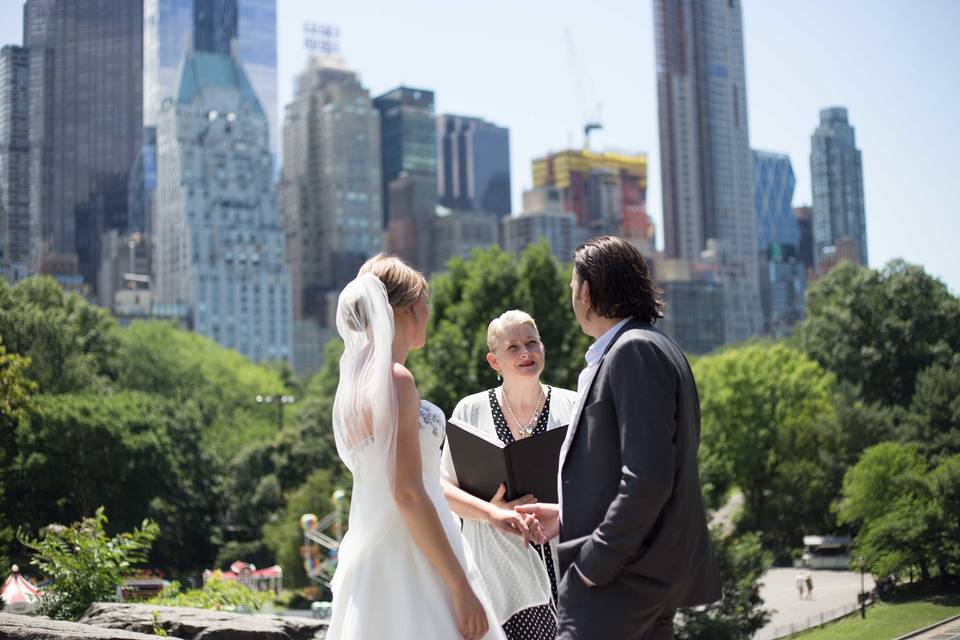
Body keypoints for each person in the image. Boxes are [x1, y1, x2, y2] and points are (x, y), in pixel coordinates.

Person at [519, 236, 722, 640]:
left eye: (572, 288)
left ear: (588, 292)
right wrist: (566, 517)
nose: (572, 298)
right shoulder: (653, 346)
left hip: (620, 579)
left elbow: (648, 477)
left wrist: (593, 564)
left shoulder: (634, 352)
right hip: (640, 576)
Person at [327, 255, 504, 640]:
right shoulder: (395, 380)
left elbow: (419, 481)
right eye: (425, 303)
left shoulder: (353, 387)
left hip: (374, 558)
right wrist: (459, 585)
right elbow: (407, 491)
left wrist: (491, 513)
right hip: (414, 556)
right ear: (407, 308)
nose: (428, 313)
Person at [441, 310, 579, 639]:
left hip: (567, 572)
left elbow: (599, 487)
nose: (526, 353)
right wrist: (493, 513)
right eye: (513, 347)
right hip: (496, 578)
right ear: (494, 361)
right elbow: (444, 489)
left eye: (532, 342)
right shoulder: (469, 410)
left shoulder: (573, 406)